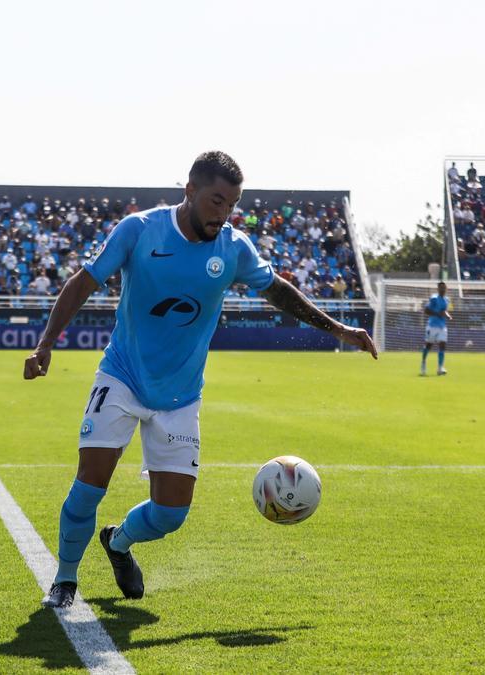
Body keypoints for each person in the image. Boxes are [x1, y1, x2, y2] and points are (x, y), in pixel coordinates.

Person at [24, 151, 377, 609]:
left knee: (171, 515)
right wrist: (46, 343)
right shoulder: (139, 229)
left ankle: (118, 541)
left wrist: (340, 329)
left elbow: (279, 292)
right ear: (189, 190)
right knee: (90, 484)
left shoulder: (233, 248)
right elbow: (84, 281)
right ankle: (65, 580)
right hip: (122, 377)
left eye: (231, 204)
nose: (223, 213)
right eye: (216, 201)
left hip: (181, 396)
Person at [421, 281, 452, 376]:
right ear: (438, 289)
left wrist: (448, 315)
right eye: (441, 287)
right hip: (432, 325)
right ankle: (423, 364)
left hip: (442, 326)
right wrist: (437, 314)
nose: (443, 289)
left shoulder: (447, 300)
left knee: (442, 345)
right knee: (428, 346)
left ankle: (440, 368)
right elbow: (426, 310)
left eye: (444, 287)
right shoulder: (434, 298)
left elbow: (444, 311)